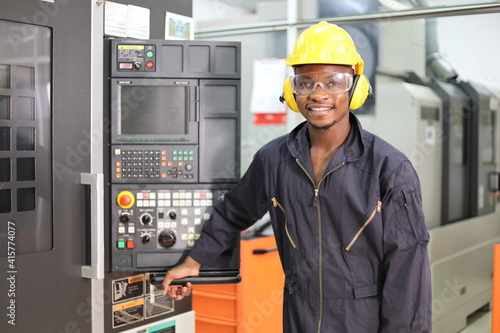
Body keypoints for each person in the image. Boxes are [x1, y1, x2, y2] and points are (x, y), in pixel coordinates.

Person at [162, 21, 432, 332]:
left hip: (362, 321)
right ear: (292, 91)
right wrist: (193, 262)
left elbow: (408, 272)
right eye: (306, 83)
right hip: (298, 316)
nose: (318, 95)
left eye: (333, 82)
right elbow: (234, 212)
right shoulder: (273, 160)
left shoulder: (389, 168)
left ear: (355, 89)